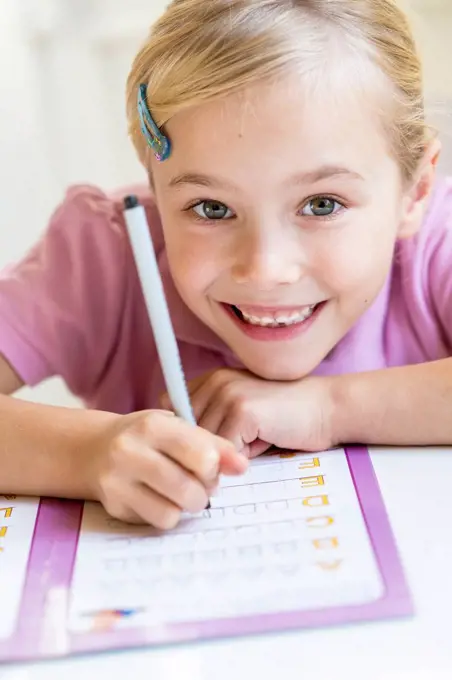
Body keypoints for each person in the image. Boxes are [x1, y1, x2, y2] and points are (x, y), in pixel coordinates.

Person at [0, 0, 450, 529]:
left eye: (322, 204)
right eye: (211, 209)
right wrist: (85, 454)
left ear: (414, 191)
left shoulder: (436, 241)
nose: (264, 268)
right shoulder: (106, 257)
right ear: (154, 183)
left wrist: (329, 408)